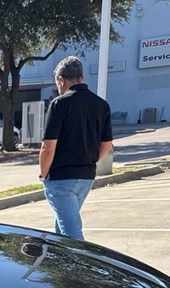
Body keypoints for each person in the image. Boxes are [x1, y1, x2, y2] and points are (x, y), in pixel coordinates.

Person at [38, 56, 113, 240]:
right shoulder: (101, 105)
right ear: (82, 77)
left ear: (61, 80)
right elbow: (107, 144)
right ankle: (58, 257)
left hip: (61, 178)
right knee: (62, 226)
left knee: (71, 231)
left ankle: (80, 259)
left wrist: (43, 174)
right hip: (86, 177)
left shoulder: (59, 104)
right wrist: (90, 160)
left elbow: (47, 148)